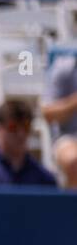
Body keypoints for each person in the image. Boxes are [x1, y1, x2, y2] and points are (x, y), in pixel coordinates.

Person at [41, 53, 77, 189]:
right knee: (74, 163)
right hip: (69, 137)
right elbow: (48, 113)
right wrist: (74, 102)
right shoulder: (64, 68)